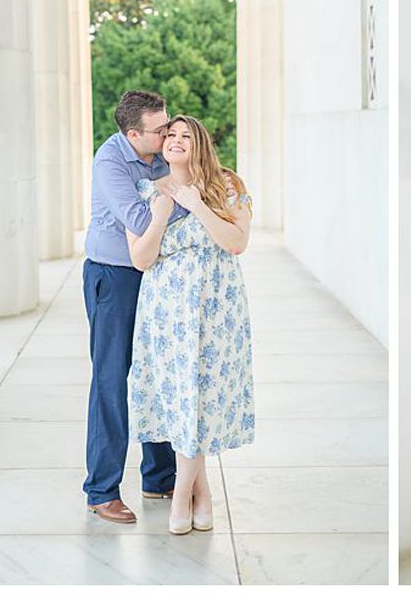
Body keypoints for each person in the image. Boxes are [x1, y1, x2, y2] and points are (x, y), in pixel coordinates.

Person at [126, 115, 255, 535]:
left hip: (216, 310)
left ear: (199, 143)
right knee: (181, 400)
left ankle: (183, 495)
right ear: (162, 144)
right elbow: (141, 260)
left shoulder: (227, 184)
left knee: (201, 399)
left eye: (187, 135)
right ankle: (201, 493)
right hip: (166, 314)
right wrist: (163, 214)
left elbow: (236, 243)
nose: (177, 140)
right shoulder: (147, 192)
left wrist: (197, 204)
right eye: (172, 135)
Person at [82, 89, 175, 521]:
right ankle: (102, 491)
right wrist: (175, 197)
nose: (168, 132)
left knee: (158, 373)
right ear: (133, 133)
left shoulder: (162, 154)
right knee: (111, 378)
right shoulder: (111, 161)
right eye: (160, 129)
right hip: (113, 278)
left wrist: (167, 198)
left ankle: (160, 479)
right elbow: (139, 221)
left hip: (156, 275)